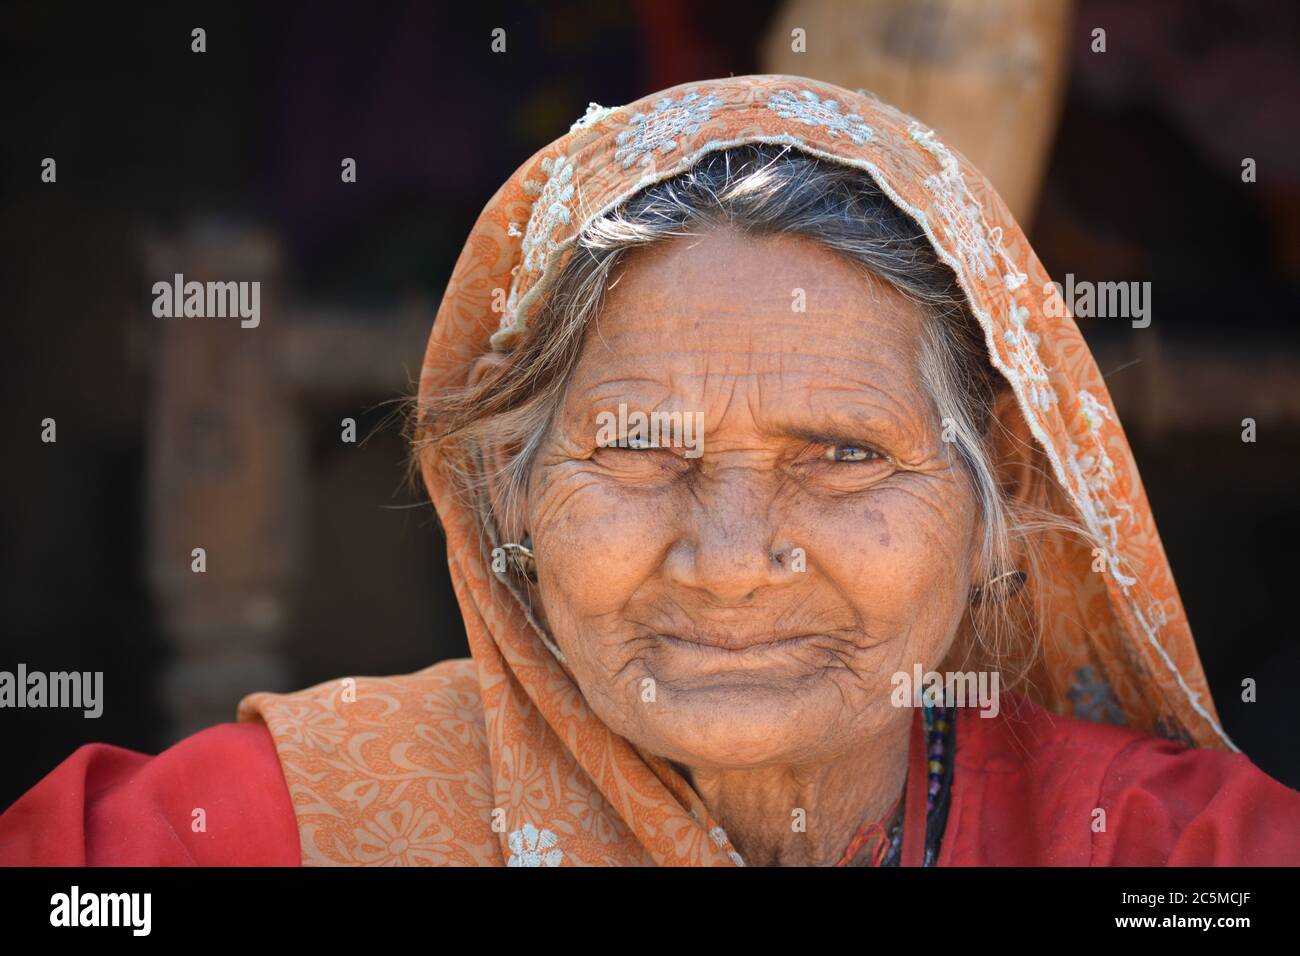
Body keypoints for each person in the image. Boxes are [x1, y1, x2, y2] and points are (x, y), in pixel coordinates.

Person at [3, 75, 1298, 866]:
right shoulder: (280, 832)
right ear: (506, 484)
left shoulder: (1162, 856)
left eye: (842, 456)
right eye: (636, 451)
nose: (731, 559)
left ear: (1000, 502)